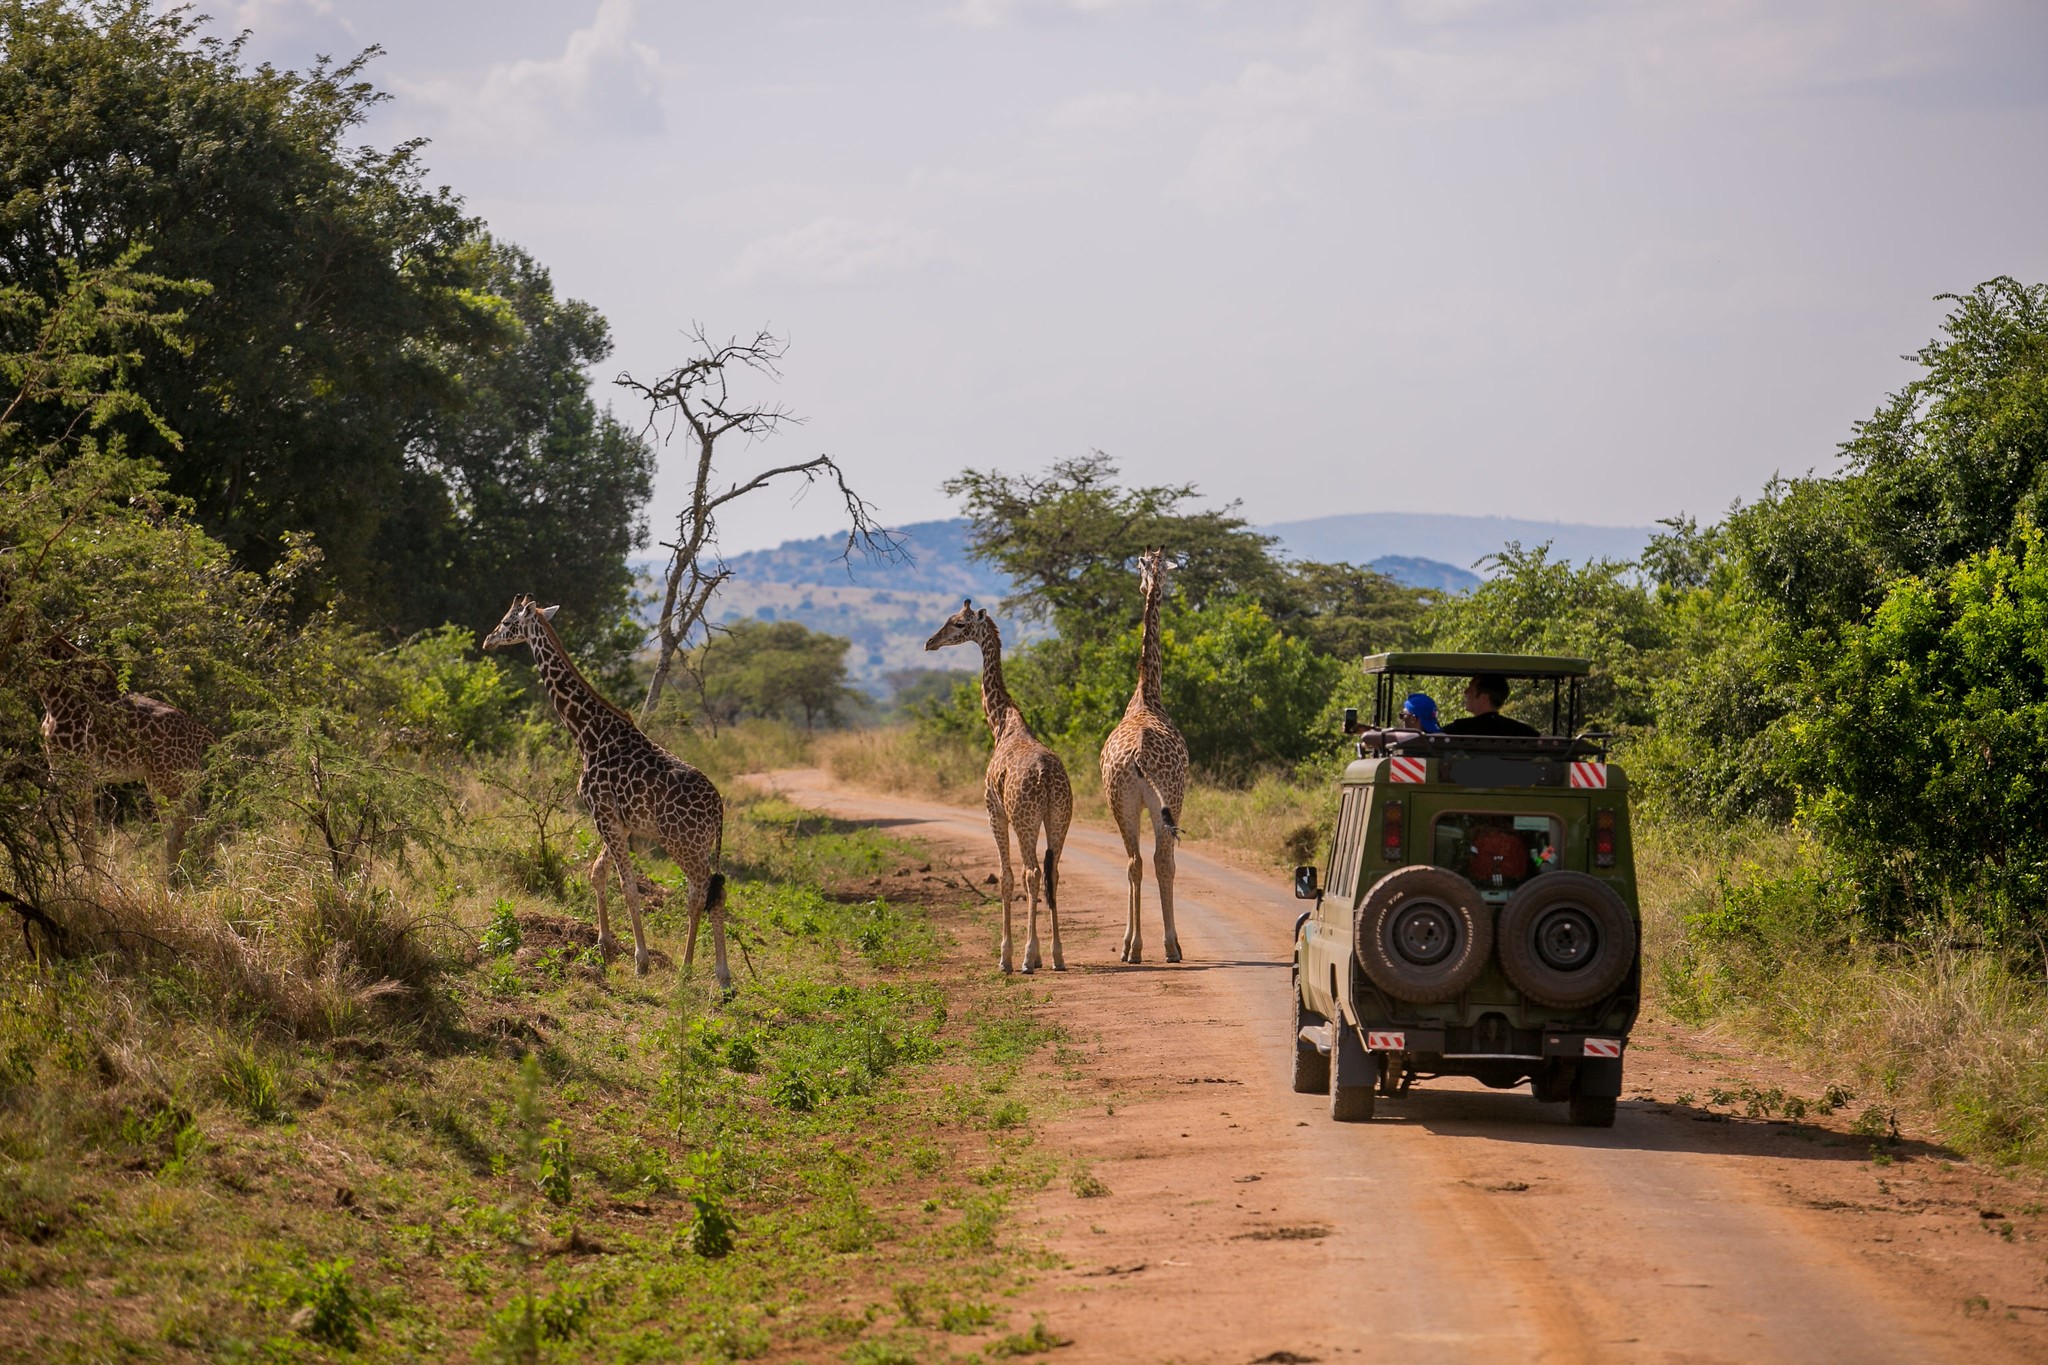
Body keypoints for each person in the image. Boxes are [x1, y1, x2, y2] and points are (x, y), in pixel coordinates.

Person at [1442, 673, 1540, 737]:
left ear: (1484, 698)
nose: (1465, 692)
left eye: (1470, 690)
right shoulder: (1523, 731)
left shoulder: (1459, 729)